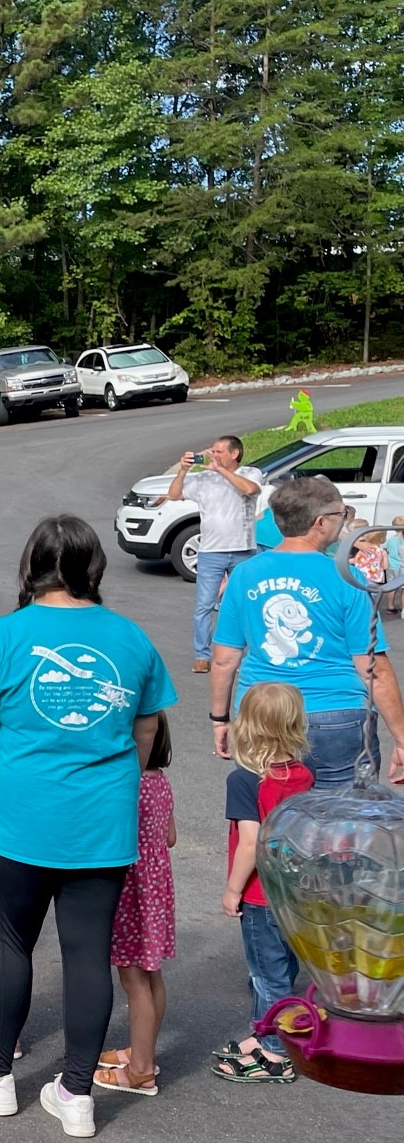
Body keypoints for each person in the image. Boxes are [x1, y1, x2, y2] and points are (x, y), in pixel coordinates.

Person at [0, 515, 176, 1140]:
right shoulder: (131, 639)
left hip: (23, 824)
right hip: (102, 825)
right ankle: (75, 1093)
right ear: (94, 567)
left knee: (11, 945)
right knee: (87, 953)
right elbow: (146, 730)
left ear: (30, 566)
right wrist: (114, 781)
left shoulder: (1, 637)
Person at [209, 476, 404, 788]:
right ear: (320, 522)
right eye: (343, 514)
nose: (344, 522)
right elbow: (373, 668)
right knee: (343, 823)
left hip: (262, 713)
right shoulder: (347, 578)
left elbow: (224, 660)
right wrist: (402, 738)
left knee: (271, 819)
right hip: (336, 714)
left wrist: (220, 720)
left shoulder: (244, 574)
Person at [213, 682, 312, 1084]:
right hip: (295, 893)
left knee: (265, 972)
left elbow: (250, 843)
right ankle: (266, 1031)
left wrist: (233, 889)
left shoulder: (245, 780)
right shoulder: (306, 773)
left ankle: (276, 1055)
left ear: (247, 726)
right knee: (282, 967)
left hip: (261, 895)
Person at [93, 713, 177, 1096]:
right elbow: (170, 836)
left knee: (133, 979)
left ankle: (141, 1069)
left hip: (131, 888)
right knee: (151, 974)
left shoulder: (129, 784)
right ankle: (143, 1052)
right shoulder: (159, 781)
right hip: (155, 888)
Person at [163, 437, 264, 673]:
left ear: (235, 453)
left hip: (243, 549)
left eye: (219, 452)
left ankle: (248, 654)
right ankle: (202, 655)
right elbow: (174, 495)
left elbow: (250, 490)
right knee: (204, 606)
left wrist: (220, 470)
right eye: (213, 451)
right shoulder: (204, 478)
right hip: (210, 551)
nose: (213, 455)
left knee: (245, 603)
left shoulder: (250, 473)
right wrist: (183, 470)